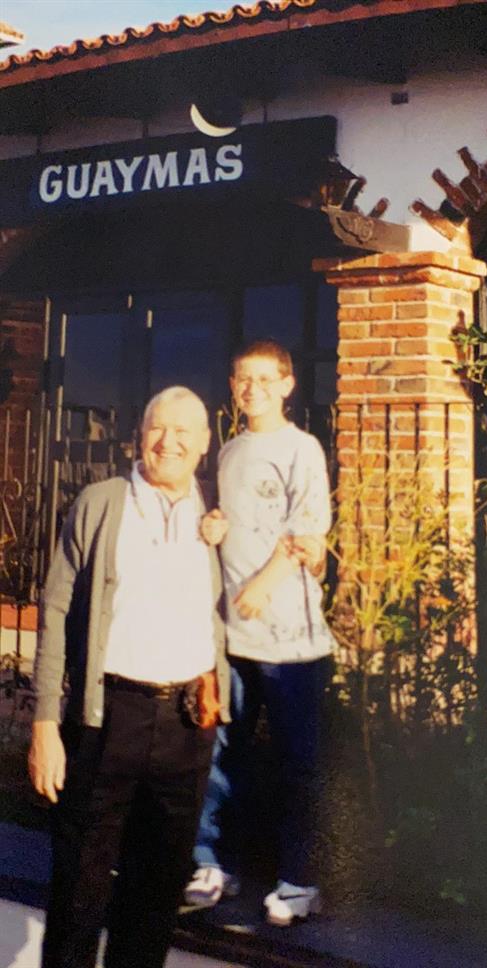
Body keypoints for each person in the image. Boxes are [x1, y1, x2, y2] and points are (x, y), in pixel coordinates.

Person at [28, 386, 230, 968]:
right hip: (107, 717)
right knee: (78, 893)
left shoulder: (215, 512)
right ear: (139, 436)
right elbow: (57, 609)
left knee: (154, 899)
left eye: (182, 431)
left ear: (204, 444)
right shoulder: (101, 502)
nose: (168, 442)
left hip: (188, 724)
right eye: (156, 429)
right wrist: (45, 722)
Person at [184, 339, 334, 927]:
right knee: (224, 755)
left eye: (265, 380)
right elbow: (233, 521)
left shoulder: (301, 449)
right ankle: (215, 864)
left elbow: (308, 531)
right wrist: (214, 525)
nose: (253, 390)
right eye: (243, 379)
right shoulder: (231, 450)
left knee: (298, 764)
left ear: (288, 385)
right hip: (234, 641)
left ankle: (299, 881)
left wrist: (263, 584)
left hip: (292, 643)